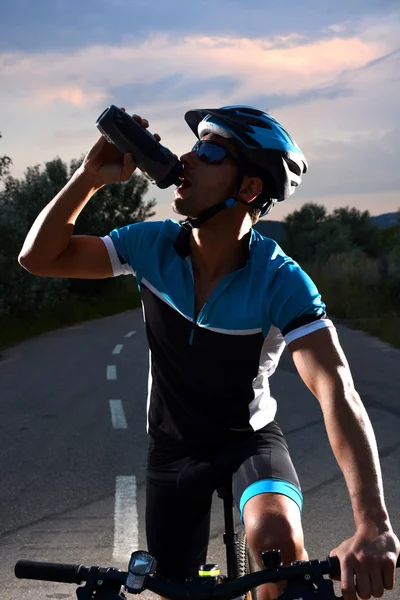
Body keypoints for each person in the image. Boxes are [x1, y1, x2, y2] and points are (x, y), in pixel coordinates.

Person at [19, 105, 399, 600]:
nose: (185, 159)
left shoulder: (281, 280)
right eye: (193, 147)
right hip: (172, 450)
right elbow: (39, 258)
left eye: (209, 152)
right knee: (175, 589)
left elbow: (336, 389)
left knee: (279, 545)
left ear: (248, 189)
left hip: (249, 442)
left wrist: (373, 524)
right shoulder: (152, 245)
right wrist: (89, 178)